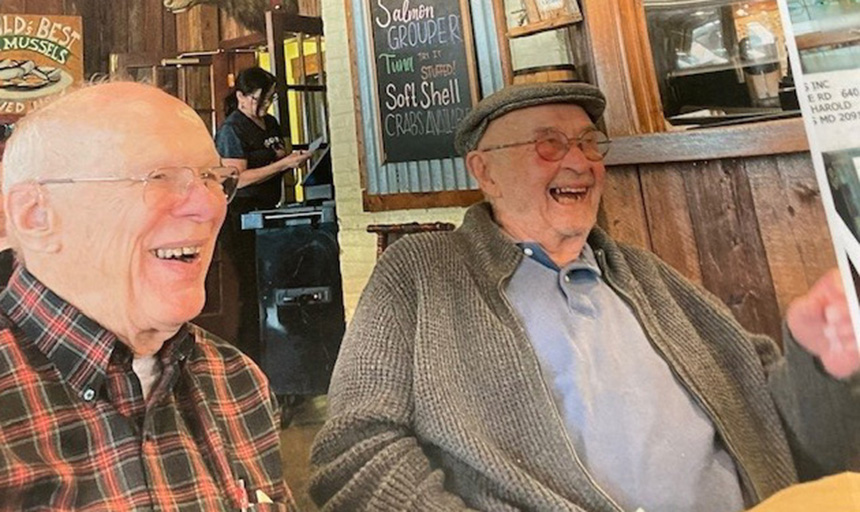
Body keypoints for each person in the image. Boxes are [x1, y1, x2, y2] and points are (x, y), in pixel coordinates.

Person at [309, 82, 860, 511]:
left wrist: (820, 359)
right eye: (548, 143)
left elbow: (791, 435)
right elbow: (356, 452)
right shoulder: (421, 275)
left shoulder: (649, 276)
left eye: (589, 142)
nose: (580, 161)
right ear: (486, 172)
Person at [0, 82, 295, 510]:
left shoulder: (235, 379)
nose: (210, 207)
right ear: (36, 216)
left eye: (213, 178)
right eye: (158, 177)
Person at [214, 66, 310, 364]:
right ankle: (251, 359)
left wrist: (290, 159)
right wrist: (280, 166)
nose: (264, 106)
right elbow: (236, 179)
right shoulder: (232, 129)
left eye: (268, 100)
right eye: (258, 99)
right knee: (251, 290)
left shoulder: (270, 123)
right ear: (241, 96)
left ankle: (281, 357)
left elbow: (277, 154)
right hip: (242, 217)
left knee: (274, 286)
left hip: (269, 212)